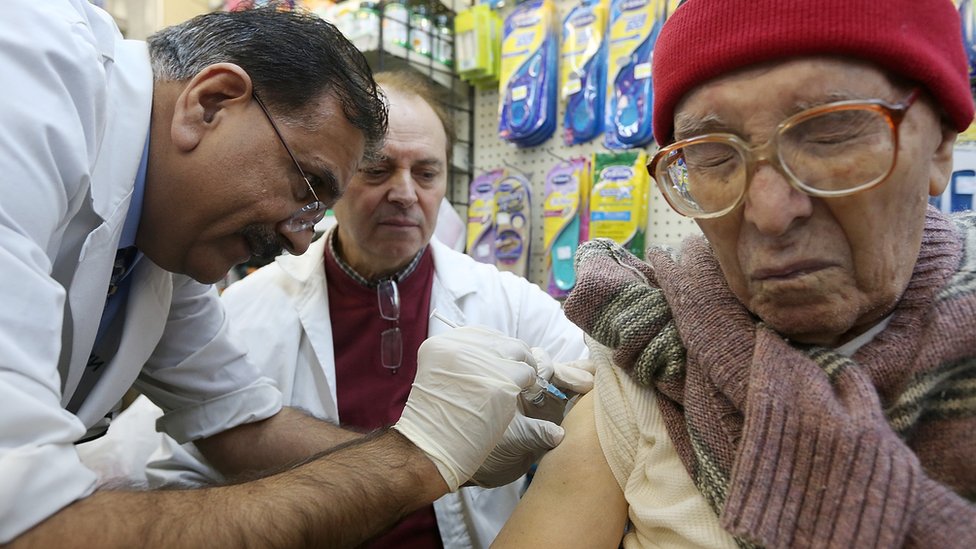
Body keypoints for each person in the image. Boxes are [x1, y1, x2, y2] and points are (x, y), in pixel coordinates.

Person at [0, 1, 577, 546]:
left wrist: (452, 457)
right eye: (308, 189)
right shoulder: (27, 85)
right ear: (211, 103)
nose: (303, 236)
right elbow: (29, 527)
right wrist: (422, 460)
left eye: (427, 174)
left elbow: (243, 429)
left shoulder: (164, 242)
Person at [492, 0, 976, 547]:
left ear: (939, 144)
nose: (769, 213)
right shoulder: (646, 352)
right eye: (713, 156)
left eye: (831, 131)